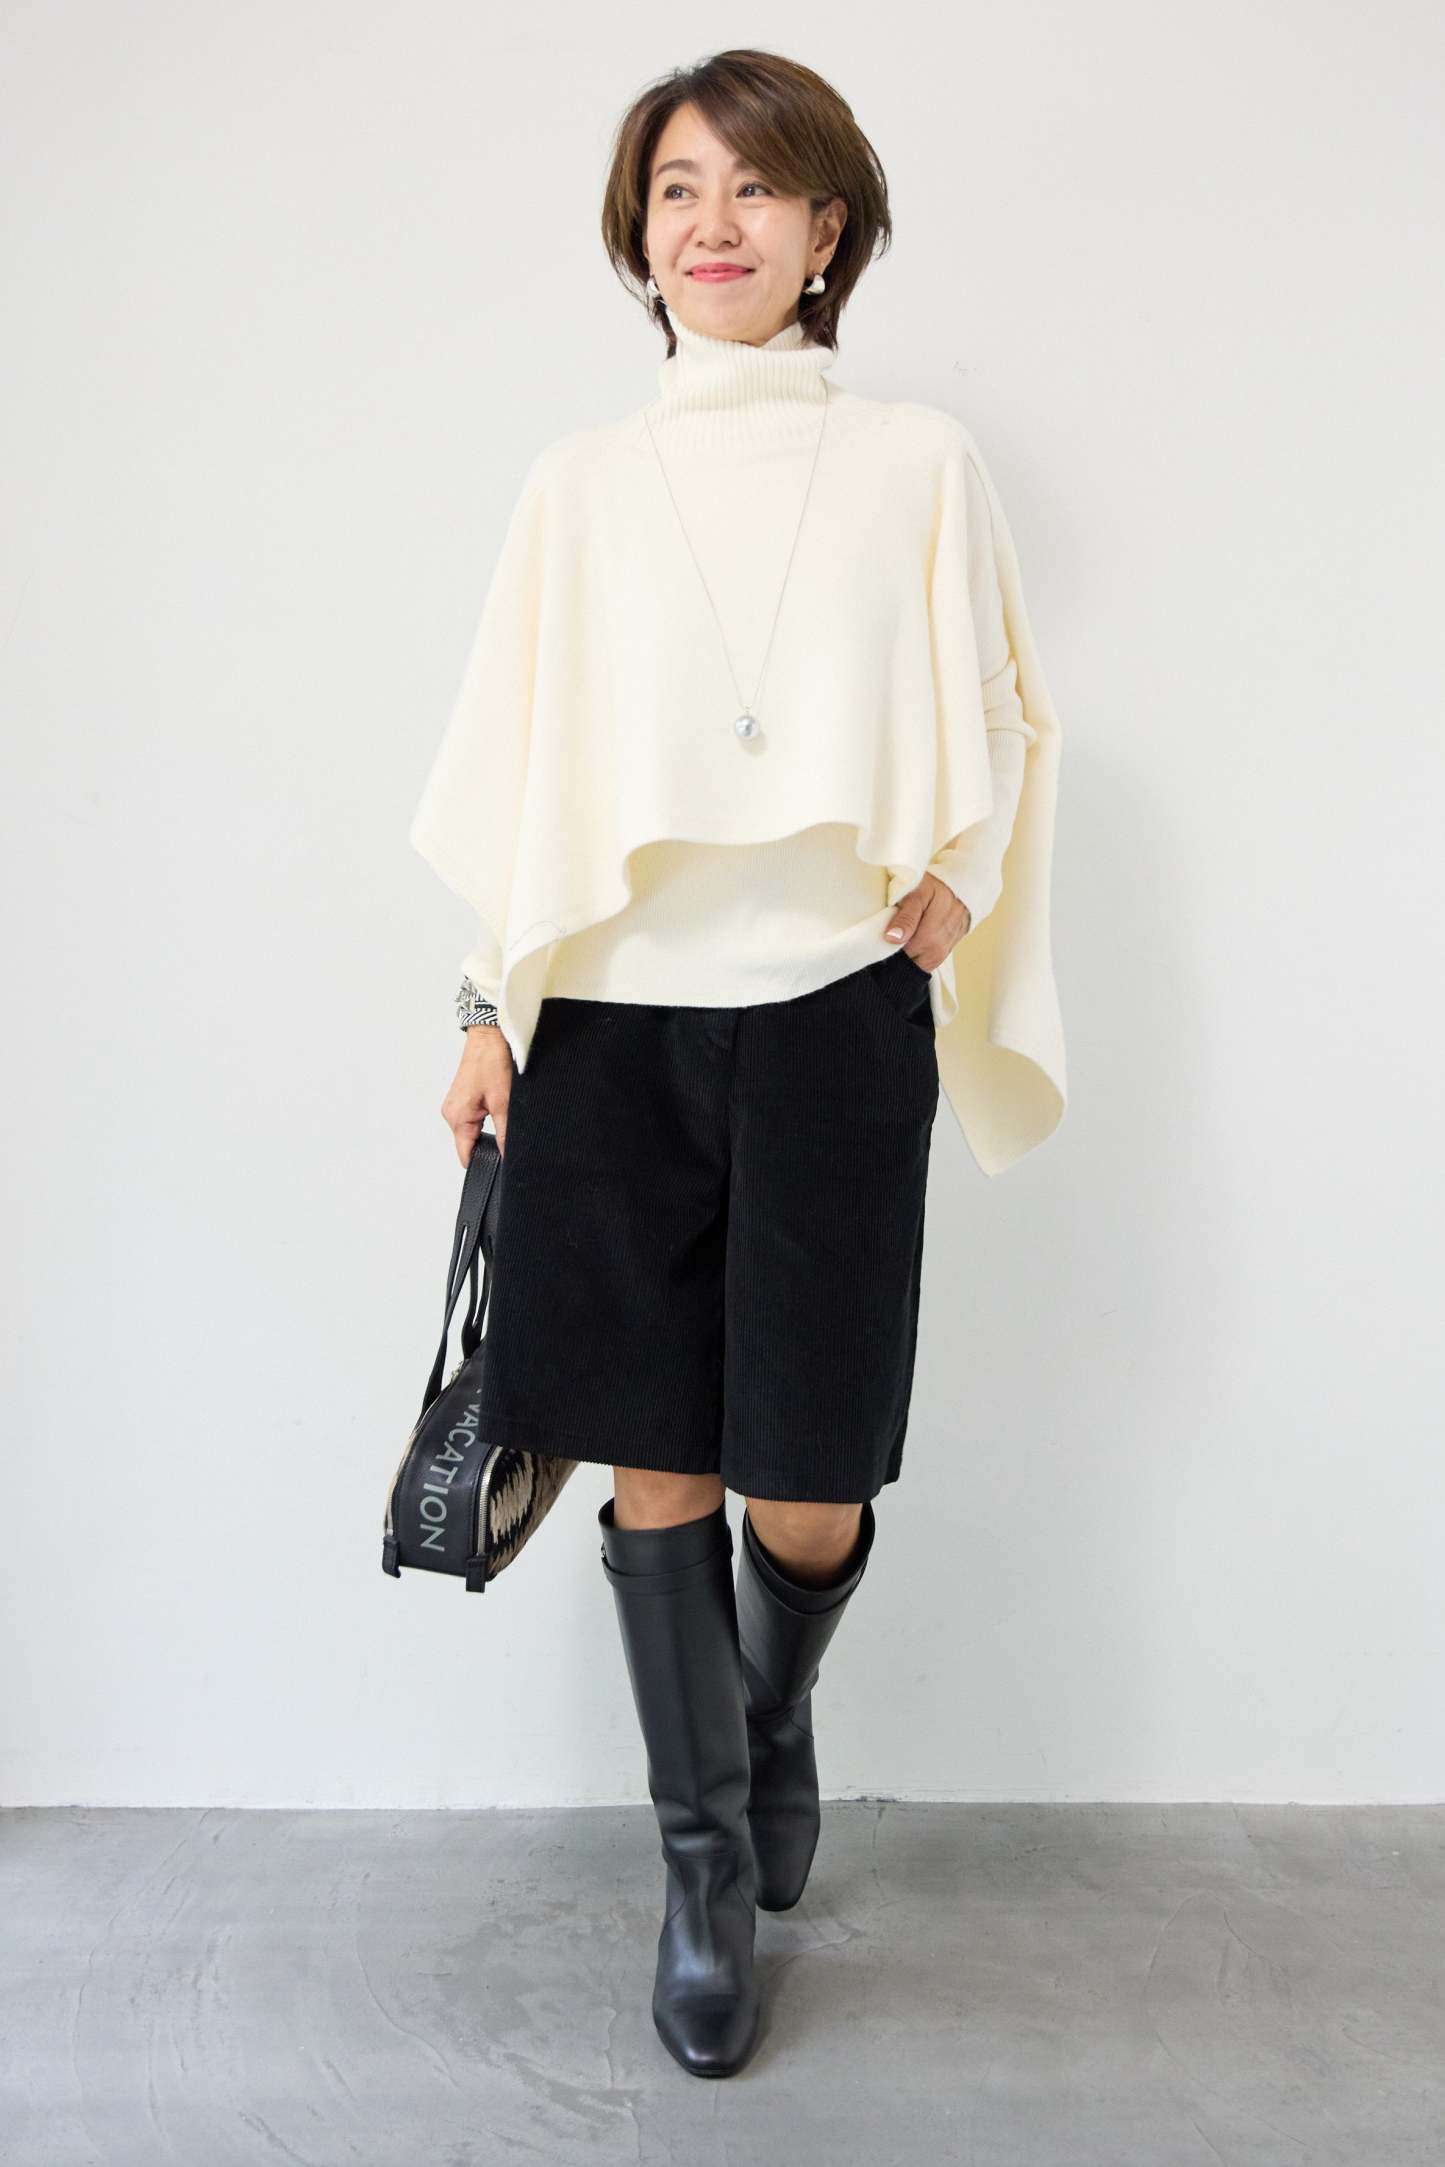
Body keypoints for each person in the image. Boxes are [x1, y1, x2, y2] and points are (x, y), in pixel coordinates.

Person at [408, 49, 1067, 2080]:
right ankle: (702, 1870)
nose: (715, 221)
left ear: (828, 229)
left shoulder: (919, 463)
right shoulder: (580, 485)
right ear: (640, 232)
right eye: (678, 187)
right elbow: (519, 769)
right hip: (609, 1026)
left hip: (835, 1020)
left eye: (756, 187)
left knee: (809, 1479)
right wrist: (485, 1007)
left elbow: (1002, 707)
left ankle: (770, 1717)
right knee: (654, 1456)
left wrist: (960, 880)